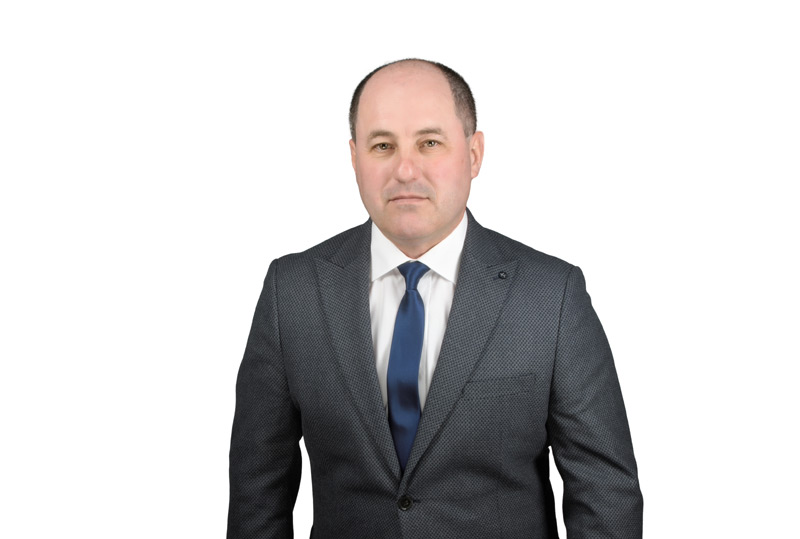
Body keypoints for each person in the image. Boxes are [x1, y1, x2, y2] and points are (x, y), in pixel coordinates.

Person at [227, 58, 643, 538]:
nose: (405, 170)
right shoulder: (292, 292)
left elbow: (605, 493)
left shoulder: (551, 296)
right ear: (354, 157)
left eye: (429, 143)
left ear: (474, 154)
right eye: (382, 146)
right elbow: (257, 492)